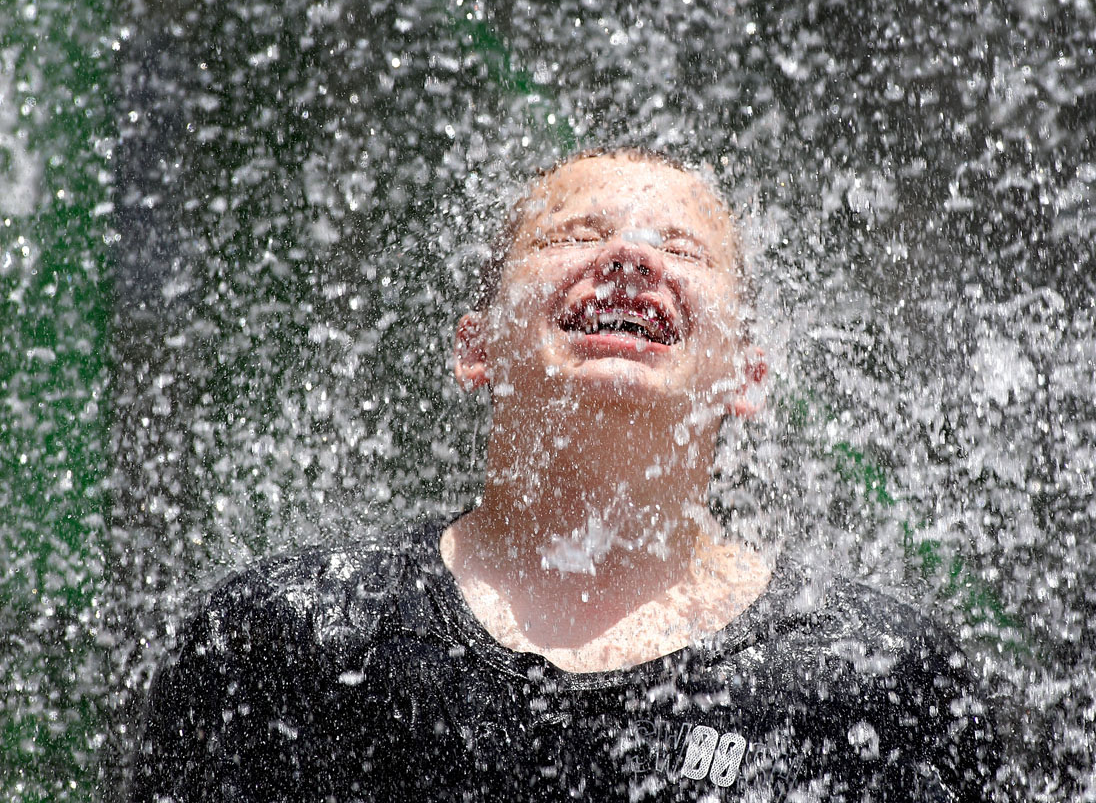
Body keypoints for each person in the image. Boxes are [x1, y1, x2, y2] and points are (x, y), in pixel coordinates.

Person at [131, 147, 1000, 801]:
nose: (631, 257)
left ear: (747, 375)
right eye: (574, 235)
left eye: (684, 252)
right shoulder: (294, 637)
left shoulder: (872, 674)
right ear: (475, 348)